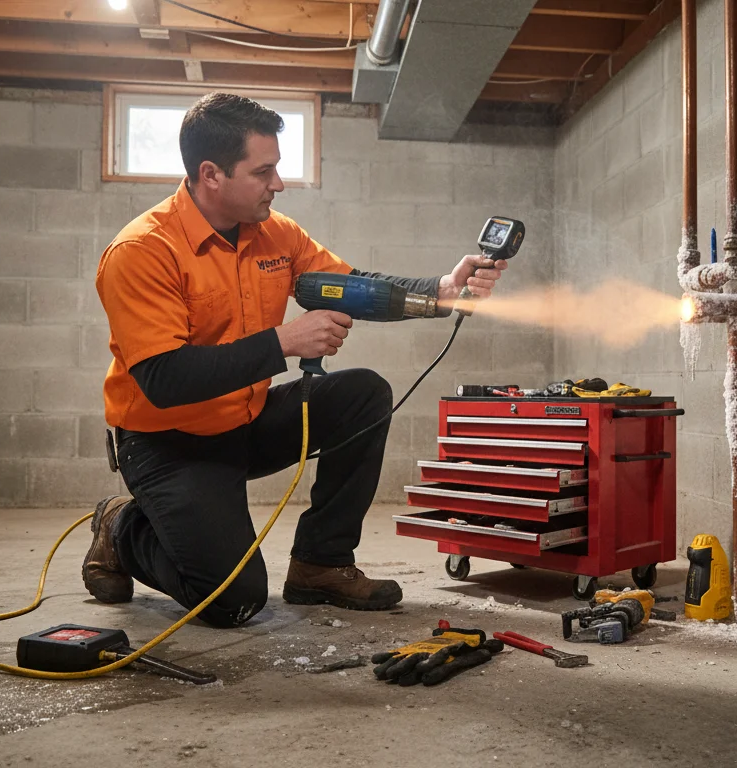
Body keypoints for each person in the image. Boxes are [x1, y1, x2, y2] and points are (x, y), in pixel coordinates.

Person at [83, 92, 507, 628]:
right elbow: (165, 379)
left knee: (363, 394)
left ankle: (320, 563)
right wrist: (282, 342)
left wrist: (440, 291)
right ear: (211, 174)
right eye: (263, 172)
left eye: (276, 168)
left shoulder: (275, 234)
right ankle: (120, 527)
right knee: (233, 600)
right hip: (168, 443)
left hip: (244, 422)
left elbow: (351, 287)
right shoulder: (143, 250)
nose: (278, 183)